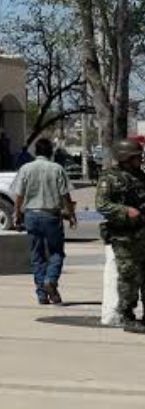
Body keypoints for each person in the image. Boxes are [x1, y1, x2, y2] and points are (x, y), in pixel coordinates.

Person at [11, 138, 77, 305]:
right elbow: (65, 195)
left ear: (36, 152)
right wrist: (71, 213)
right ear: (51, 152)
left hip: (31, 215)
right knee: (56, 252)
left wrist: (17, 213)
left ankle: (42, 293)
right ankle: (51, 280)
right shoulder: (57, 169)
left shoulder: (25, 168)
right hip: (51, 215)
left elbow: (19, 195)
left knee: (37, 255)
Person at [96, 139, 145, 333]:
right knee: (128, 277)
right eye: (137, 156)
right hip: (124, 237)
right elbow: (102, 205)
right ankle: (127, 316)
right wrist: (125, 210)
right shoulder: (110, 178)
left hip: (142, 233)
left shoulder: (140, 176)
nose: (140, 159)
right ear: (125, 157)